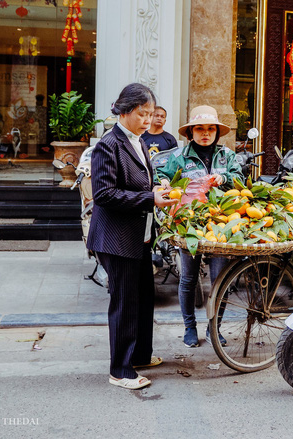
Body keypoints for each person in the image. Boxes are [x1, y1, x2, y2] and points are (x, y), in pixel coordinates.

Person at [87, 83, 177, 390]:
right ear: (124, 111)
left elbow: (139, 184)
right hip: (116, 238)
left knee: (143, 298)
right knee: (125, 302)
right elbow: (104, 194)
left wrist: (155, 191)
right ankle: (121, 370)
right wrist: (150, 199)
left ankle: (139, 355)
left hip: (139, 235)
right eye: (143, 113)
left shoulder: (138, 141)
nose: (148, 120)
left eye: (151, 114)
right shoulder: (109, 145)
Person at [155, 105, 243, 348]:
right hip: (189, 224)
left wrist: (224, 179)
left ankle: (215, 328)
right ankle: (189, 328)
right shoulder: (178, 157)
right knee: (189, 278)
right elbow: (160, 176)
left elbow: (241, 180)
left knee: (220, 279)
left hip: (221, 224)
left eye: (211, 129)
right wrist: (164, 182)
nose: (206, 133)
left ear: (217, 132)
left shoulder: (227, 156)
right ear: (190, 132)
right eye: (200, 129)